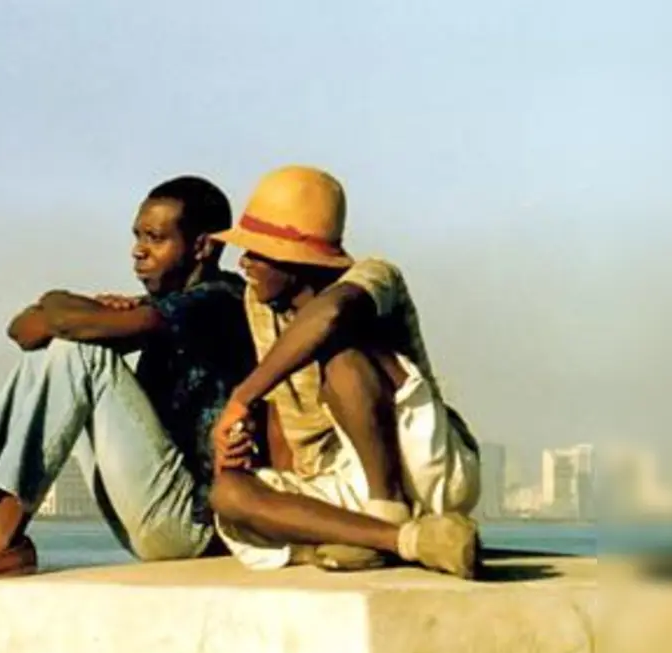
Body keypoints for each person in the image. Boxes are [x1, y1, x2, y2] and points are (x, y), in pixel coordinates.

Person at [0, 175, 257, 589]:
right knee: (53, 349)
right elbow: (23, 331)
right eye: (137, 236)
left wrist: (59, 301)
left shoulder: (218, 301)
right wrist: (78, 312)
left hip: (193, 526)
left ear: (203, 246)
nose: (138, 250)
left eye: (155, 238)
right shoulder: (165, 304)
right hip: (155, 510)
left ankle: (0, 538)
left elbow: (66, 323)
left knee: (80, 350)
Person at [204, 165, 483, 579]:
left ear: (293, 259)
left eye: (256, 252)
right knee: (228, 494)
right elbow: (285, 419)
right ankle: (403, 540)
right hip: (339, 480)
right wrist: (244, 461)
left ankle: (385, 515)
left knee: (341, 355)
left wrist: (242, 398)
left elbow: (330, 314)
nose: (243, 262)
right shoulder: (259, 303)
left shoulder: (373, 277)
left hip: (419, 463)